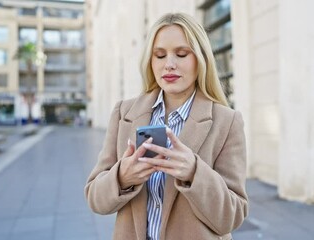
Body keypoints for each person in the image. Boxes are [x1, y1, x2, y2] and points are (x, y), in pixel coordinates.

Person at [85, 12, 248, 240]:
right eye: (159, 55)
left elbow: (232, 216)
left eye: (181, 54)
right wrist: (122, 177)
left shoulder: (227, 121)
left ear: (200, 59)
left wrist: (194, 172)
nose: (169, 65)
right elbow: (95, 197)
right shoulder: (124, 113)